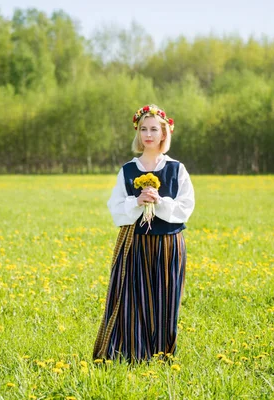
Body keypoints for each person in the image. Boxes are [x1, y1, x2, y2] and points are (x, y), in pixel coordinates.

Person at [93, 104, 195, 363]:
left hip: (168, 245)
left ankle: (162, 356)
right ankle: (131, 355)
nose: (148, 134)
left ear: (164, 134)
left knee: (166, 301)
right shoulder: (128, 169)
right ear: (138, 133)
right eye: (143, 129)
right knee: (132, 300)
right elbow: (115, 207)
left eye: (154, 129)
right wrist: (137, 202)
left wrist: (159, 201)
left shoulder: (176, 169)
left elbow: (185, 208)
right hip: (135, 243)